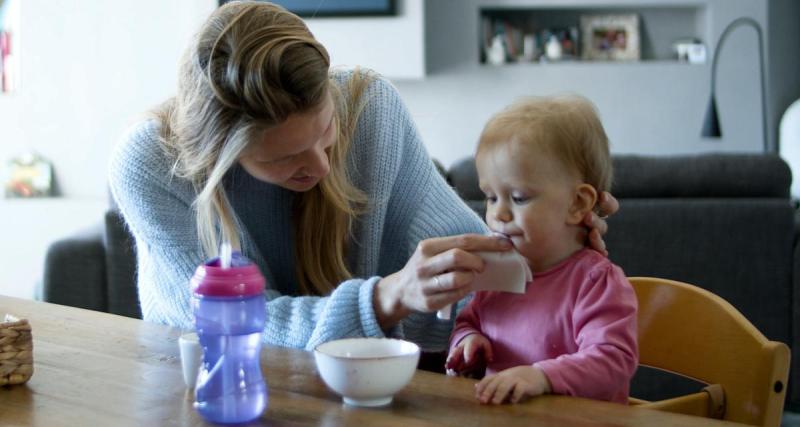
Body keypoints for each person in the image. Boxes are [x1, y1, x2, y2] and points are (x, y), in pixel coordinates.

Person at [108, 1, 617, 353]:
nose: (321, 166)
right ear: (218, 152)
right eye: (283, 159)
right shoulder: (151, 165)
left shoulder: (366, 108)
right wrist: (383, 299)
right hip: (210, 396)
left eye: (325, 132)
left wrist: (552, 247)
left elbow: (473, 277)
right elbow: (233, 327)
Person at [445, 95, 638, 404]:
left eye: (519, 198)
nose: (499, 215)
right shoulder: (496, 272)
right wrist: (468, 341)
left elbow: (613, 361)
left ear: (577, 204)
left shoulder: (595, 282)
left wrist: (542, 376)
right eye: (491, 198)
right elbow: (469, 320)